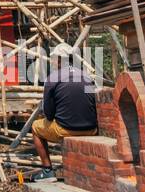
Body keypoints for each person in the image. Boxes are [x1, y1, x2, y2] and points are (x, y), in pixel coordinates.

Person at [31, 43, 98, 180]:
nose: (53, 61)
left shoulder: (52, 79)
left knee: (35, 127)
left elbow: (49, 114)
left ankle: (47, 171)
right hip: (91, 128)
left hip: (65, 128)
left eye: (55, 58)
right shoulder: (86, 77)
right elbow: (93, 101)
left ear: (61, 60)